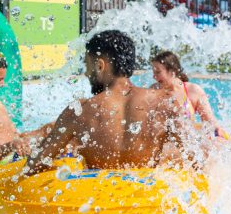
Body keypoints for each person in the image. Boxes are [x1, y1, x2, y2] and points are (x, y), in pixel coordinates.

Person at [25, 30, 192, 171]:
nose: (86, 73)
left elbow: (34, 164)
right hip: (146, 202)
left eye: (87, 65)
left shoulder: (78, 110)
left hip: (95, 204)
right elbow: (197, 156)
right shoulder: (163, 102)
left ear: (99, 65)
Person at [150, 50, 221, 133]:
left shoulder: (193, 90)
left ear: (172, 71)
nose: (154, 76)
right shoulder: (154, 90)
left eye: (158, 72)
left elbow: (210, 123)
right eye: (153, 72)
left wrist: (218, 133)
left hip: (187, 141)